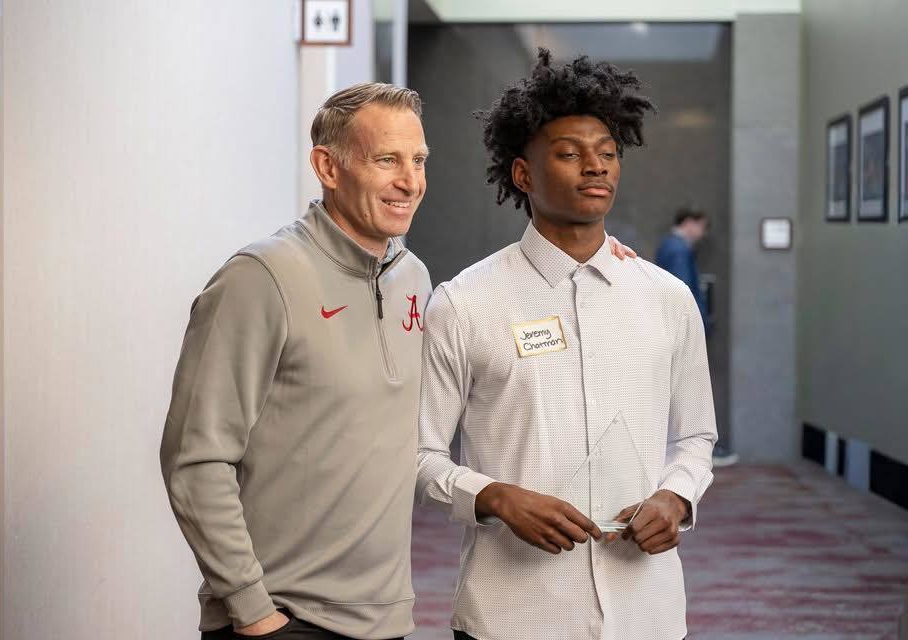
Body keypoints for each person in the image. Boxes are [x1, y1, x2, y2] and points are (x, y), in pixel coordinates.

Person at [160, 81, 635, 639]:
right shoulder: (260, 278)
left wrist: (596, 258)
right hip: (283, 617)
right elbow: (197, 459)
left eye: (418, 160)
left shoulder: (412, 276)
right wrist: (253, 609)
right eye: (387, 160)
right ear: (328, 167)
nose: (409, 181)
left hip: (383, 616)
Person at [416, 50, 717, 640]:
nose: (595, 167)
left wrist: (677, 498)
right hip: (512, 614)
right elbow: (417, 455)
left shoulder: (667, 298)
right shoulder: (463, 303)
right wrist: (494, 496)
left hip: (647, 611)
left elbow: (696, 435)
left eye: (607, 153)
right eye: (570, 153)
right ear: (524, 175)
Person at [656, 208, 740, 468]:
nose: (702, 234)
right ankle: (695, 450)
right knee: (688, 392)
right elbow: (683, 291)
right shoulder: (678, 250)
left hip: (671, 328)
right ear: (690, 223)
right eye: (701, 227)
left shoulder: (669, 247)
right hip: (681, 330)